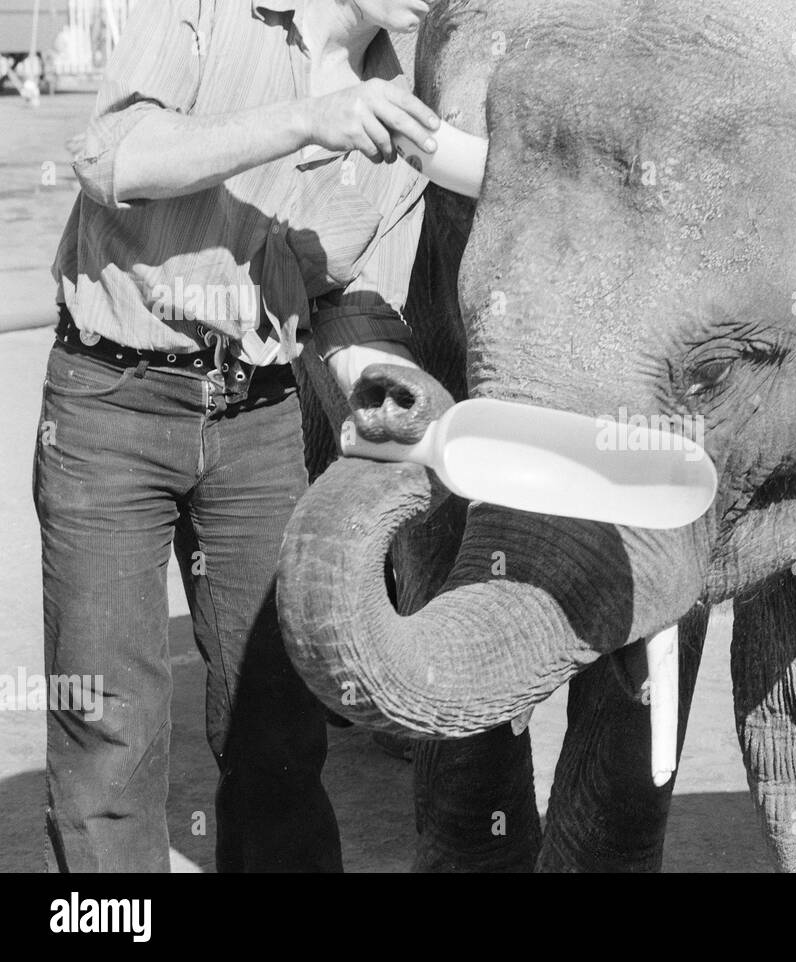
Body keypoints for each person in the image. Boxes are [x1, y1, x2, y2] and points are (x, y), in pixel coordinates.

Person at [37, 0, 442, 872]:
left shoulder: (407, 103)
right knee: (110, 729)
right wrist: (304, 117)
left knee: (281, 733)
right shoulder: (212, 9)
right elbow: (110, 157)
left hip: (259, 413)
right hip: (113, 401)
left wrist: (386, 386)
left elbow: (346, 290)